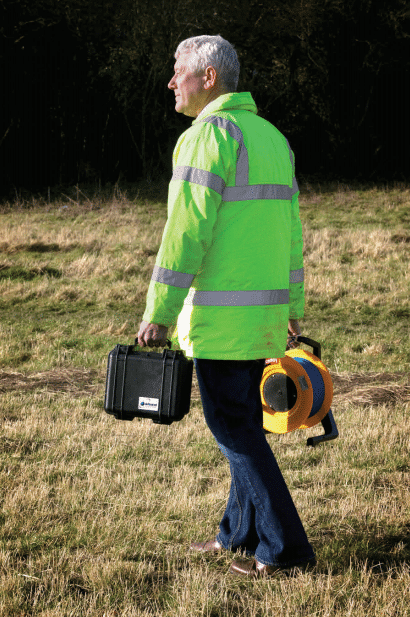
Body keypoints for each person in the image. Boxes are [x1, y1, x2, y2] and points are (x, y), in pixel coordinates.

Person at [137, 35, 315, 578]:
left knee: (234, 431)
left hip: (222, 320)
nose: (172, 81)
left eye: (178, 71)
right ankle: (237, 535)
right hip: (261, 316)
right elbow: (290, 232)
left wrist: (159, 311)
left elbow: (185, 234)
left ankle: (286, 551)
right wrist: (293, 304)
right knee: (243, 428)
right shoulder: (272, 138)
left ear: (207, 78)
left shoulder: (207, 136)